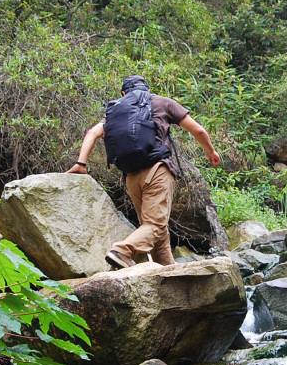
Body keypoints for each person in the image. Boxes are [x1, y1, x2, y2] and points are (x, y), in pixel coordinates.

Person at [67, 75, 221, 269]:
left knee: (155, 228)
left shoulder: (114, 112)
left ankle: (167, 271)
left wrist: (81, 163)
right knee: (155, 226)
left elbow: (91, 134)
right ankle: (122, 250)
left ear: (123, 93)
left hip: (131, 177)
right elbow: (198, 131)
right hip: (158, 169)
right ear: (147, 89)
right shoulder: (161, 102)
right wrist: (210, 150)